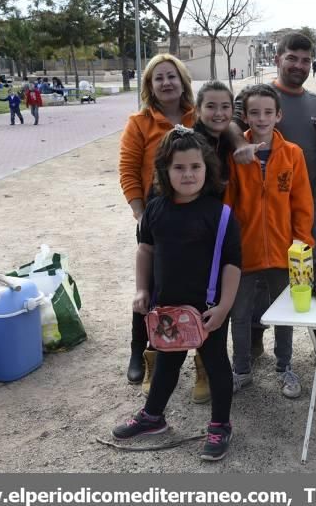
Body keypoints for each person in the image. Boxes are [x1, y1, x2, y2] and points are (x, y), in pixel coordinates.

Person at [111, 127, 242, 461]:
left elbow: (232, 266)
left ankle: (220, 425)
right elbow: (145, 251)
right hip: (166, 309)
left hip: (208, 311)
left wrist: (225, 306)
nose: (188, 174)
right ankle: (153, 417)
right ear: (165, 172)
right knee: (166, 362)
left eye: (195, 167)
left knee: (216, 366)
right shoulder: (155, 209)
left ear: (207, 169)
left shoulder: (221, 215)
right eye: (179, 168)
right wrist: (142, 290)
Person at [231, 32, 316, 370]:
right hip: (261, 206)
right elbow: (233, 135)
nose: (299, 65)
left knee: (308, 273)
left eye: (305, 59)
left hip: (307, 206)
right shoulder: (254, 98)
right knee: (257, 279)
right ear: (277, 58)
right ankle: (253, 341)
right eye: (291, 57)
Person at [118, 54, 201, 396]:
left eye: (172, 76)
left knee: (193, 283)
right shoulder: (139, 123)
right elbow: (127, 170)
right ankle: (141, 350)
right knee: (150, 284)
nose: (166, 83)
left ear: (182, 82)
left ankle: (200, 354)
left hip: (195, 210)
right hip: (155, 211)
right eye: (158, 78)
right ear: (150, 87)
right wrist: (142, 215)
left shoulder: (197, 117)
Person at [224, 84, 314, 398]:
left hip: (283, 252)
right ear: (245, 117)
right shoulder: (236, 156)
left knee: (284, 313)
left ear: (278, 115)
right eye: (254, 113)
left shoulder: (293, 154)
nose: (261, 118)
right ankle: (241, 369)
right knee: (240, 313)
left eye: (267, 112)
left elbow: (302, 204)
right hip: (243, 253)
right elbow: (228, 205)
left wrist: (302, 245)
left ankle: (284, 366)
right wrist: (227, 248)